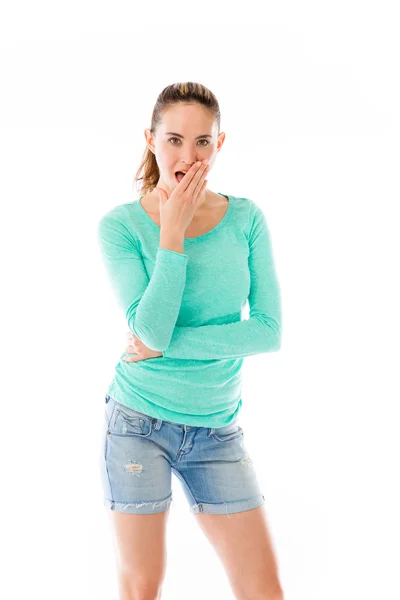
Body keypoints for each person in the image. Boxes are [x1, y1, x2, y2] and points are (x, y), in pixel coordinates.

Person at [97, 81, 284, 600]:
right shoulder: (121, 227)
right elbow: (148, 329)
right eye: (175, 139)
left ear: (219, 145)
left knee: (263, 587)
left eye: (203, 141)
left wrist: (162, 346)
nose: (188, 155)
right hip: (138, 422)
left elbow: (268, 332)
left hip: (217, 430)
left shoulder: (246, 219)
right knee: (143, 586)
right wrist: (171, 232)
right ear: (151, 140)